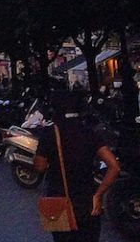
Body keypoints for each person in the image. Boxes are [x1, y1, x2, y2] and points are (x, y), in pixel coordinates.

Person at [33, 87, 120, 242]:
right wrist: (99, 194)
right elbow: (114, 166)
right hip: (88, 202)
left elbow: (39, 166)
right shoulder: (89, 132)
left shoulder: (50, 133)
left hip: (59, 201)